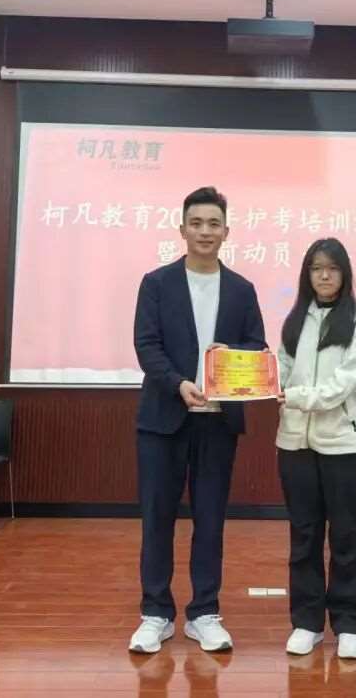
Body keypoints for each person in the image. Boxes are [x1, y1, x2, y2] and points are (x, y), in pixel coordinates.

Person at [128, 186, 267, 654]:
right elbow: (147, 345)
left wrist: (234, 360)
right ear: (182, 229)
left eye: (213, 224)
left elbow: (256, 346)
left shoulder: (242, 289)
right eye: (196, 223)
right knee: (157, 518)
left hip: (218, 422)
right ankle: (156, 613)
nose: (205, 231)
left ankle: (204, 613)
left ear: (227, 232)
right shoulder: (156, 283)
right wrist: (178, 383)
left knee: (210, 520)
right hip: (163, 418)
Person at [275, 237, 356, 659]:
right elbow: (279, 370)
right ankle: (307, 622)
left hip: (344, 444)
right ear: (307, 274)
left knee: (346, 535)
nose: (324, 275)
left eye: (332, 268)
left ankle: (350, 624)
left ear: (344, 273)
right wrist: (256, 378)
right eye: (316, 268)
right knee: (304, 535)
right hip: (294, 442)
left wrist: (296, 397)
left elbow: (343, 385)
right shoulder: (295, 320)